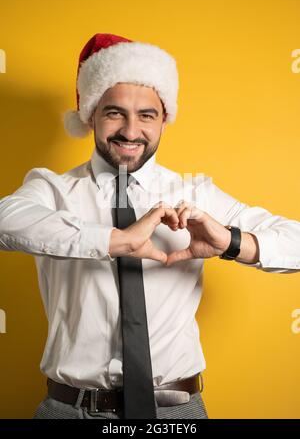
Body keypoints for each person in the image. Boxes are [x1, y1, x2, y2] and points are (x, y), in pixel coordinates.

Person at [0, 33, 300, 420]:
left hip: (177, 412)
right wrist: (115, 240)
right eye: (114, 112)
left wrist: (229, 242)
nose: (130, 130)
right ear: (90, 114)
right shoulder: (53, 190)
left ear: (163, 120)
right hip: (70, 411)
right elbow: (6, 220)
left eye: (146, 115)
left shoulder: (196, 193)